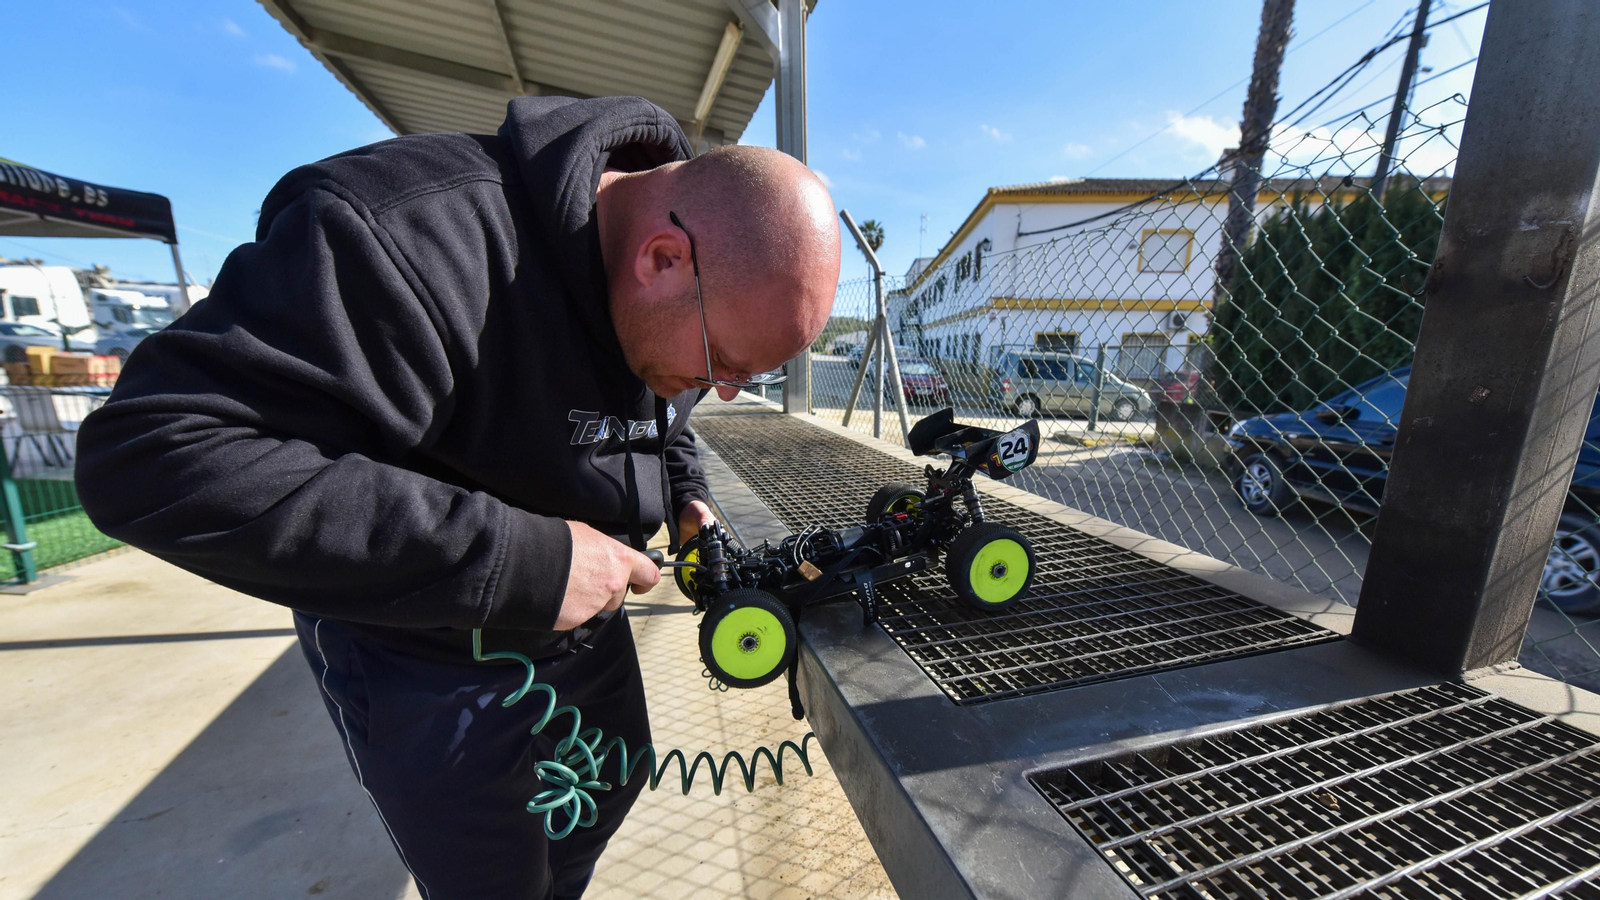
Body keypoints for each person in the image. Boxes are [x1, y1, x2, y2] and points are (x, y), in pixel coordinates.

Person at [73, 95, 841, 899]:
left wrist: (686, 493)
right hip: (431, 657)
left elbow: (664, 407)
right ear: (662, 259)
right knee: (494, 878)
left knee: (601, 799)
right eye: (723, 362)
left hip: (585, 633)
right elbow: (154, 452)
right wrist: (524, 563)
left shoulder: (680, 287)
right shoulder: (399, 235)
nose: (723, 393)